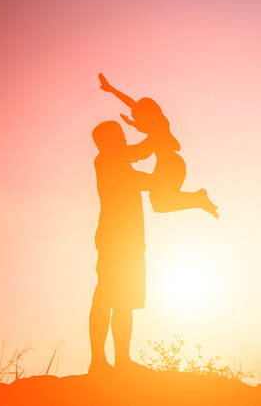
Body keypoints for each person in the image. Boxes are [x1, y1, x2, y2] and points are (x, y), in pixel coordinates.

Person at [98, 73, 219, 218]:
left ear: (147, 116)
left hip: (172, 166)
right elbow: (133, 104)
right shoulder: (156, 128)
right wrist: (112, 90)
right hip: (168, 165)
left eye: (138, 118)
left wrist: (121, 155)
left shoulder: (158, 128)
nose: (137, 121)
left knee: (160, 203)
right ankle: (197, 199)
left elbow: (142, 151)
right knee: (159, 204)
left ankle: (198, 198)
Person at [89, 120, 153, 374]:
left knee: (123, 299)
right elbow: (144, 150)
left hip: (129, 240)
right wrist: (157, 127)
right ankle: (98, 362)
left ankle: (122, 361)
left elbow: (144, 179)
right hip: (115, 238)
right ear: (107, 141)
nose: (124, 138)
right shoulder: (106, 159)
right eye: (119, 135)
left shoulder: (121, 166)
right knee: (106, 295)